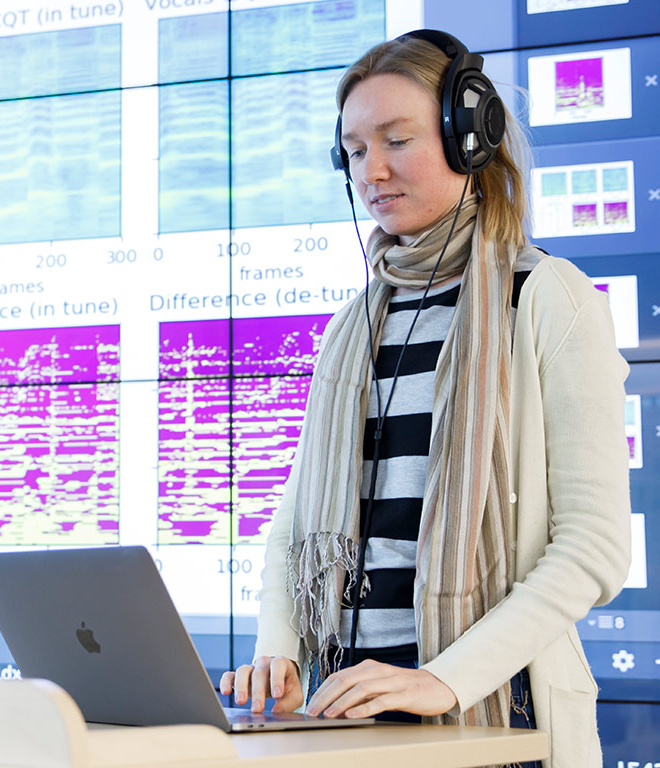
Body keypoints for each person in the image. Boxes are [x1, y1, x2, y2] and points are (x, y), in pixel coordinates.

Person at [220, 30, 630, 768]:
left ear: (470, 139)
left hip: (496, 718)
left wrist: (442, 680)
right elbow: (295, 523)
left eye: (397, 140)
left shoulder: (545, 296)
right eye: (352, 151)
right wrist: (278, 648)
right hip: (346, 716)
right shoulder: (354, 324)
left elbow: (593, 548)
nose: (371, 170)